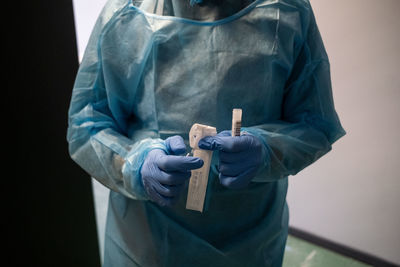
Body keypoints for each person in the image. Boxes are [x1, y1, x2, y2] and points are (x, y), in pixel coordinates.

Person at [67, 0, 346, 266]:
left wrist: (265, 151)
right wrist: (136, 165)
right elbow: (87, 124)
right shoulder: (128, 13)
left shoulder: (287, 12)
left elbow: (314, 124)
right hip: (149, 240)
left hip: (252, 241)